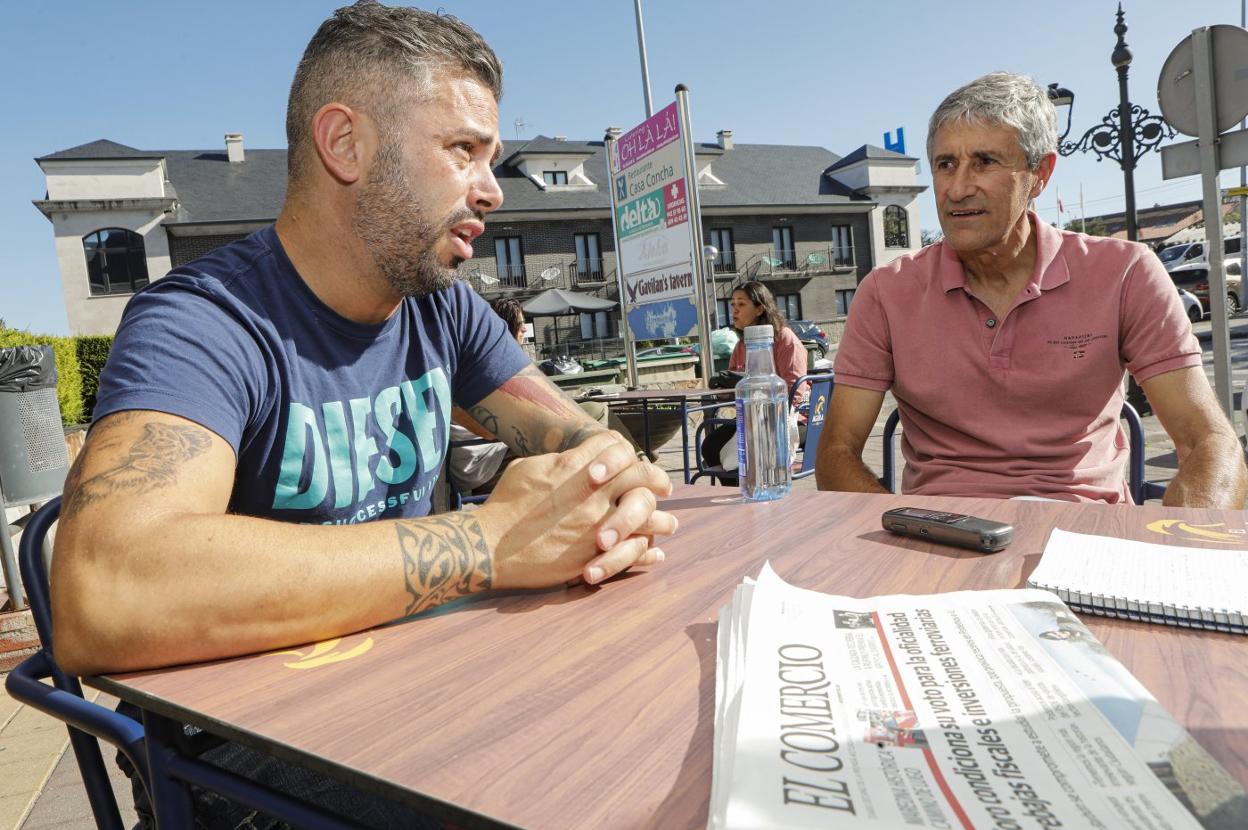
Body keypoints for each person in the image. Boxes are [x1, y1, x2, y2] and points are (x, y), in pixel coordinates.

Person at [51, 3, 675, 825]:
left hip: (418, 685)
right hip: (237, 760)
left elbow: (588, 447)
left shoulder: (442, 307)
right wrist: (486, 542)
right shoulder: (202, 324)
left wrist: (612, 494)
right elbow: (105, 593)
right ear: (345, 143)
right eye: (463, 150)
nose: (491, 189)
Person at [815, 72, 1246, 507]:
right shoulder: (886, 292)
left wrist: (1179, 548)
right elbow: (836, 453)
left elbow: (1209, 443)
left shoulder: (1125, 272)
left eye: (984, 161)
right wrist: (900, 528)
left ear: (1040, 174)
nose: (958, 188)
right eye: (946, 164)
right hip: (941, 534)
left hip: (1085, 533)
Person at [447, 298, 648, 496]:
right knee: (591, 416)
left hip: (490, 453)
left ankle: (634, 468)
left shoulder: (481, 363)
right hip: (484, 463)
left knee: (585, 420)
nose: (524, 334)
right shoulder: (480, 367)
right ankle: (635, 470)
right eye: (521, 328)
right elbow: (490, 428)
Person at [699, 281, 806, 481]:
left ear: (759, 309)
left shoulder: (785, 339)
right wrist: (725, 387)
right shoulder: (741, 345)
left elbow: (795, 390)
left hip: (786, 419)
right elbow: (732, 395)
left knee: (733, 449)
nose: (734, 310)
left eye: (741, 304)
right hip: (750, 417)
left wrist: (756, 391)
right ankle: (738, 494)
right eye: (732, 305)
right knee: (711, 445)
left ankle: (749, 491)